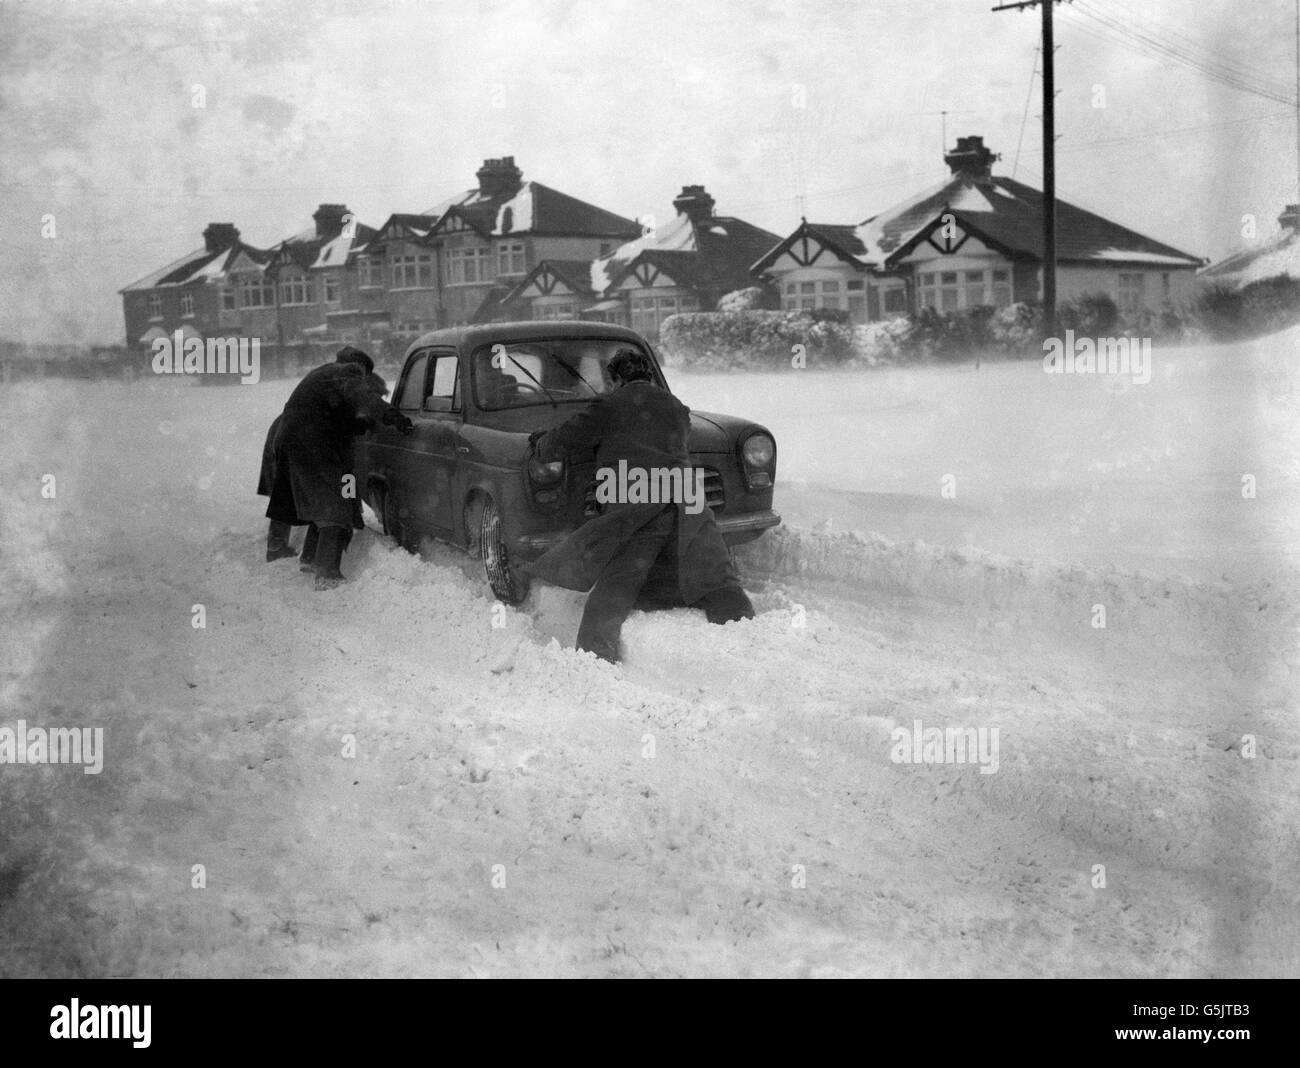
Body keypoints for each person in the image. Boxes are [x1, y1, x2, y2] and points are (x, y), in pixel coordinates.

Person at [523, 348, 755, 662]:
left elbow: (562, 441)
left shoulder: (610, 406)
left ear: (616, 379)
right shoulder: (676, 407)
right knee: (712, 569)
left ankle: (594, 659)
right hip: (687, 502)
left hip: (639, 504)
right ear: (646, 374)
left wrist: (540, 442)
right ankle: (748, 636)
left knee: (616, 587)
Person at [258, 346, 413, 588]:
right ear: (360, 368)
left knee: (296, 498)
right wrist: (394, 417)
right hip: (311, 440)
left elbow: (341, 422)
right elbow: (365, 400)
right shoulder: (347, 372)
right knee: (334, 507)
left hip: (290, 437)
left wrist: (357, 425)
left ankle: (298, 555)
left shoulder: (323, 376)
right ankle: (326, 572)